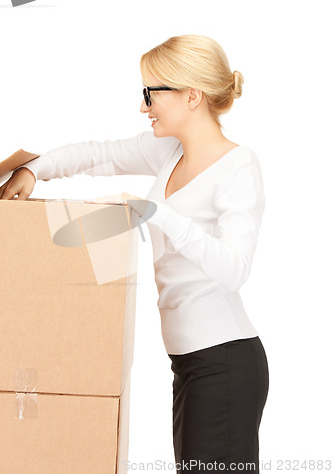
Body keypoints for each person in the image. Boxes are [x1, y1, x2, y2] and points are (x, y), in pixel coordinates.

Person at [0, 35, 269, 473]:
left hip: (225, 363)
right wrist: (34, 169)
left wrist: (159, 214)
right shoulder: (170, 152)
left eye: (151, 92)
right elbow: (96, 155)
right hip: (192, 364)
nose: (144, 106)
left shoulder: (238, 166)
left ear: (192, 95)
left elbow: (235, 269)